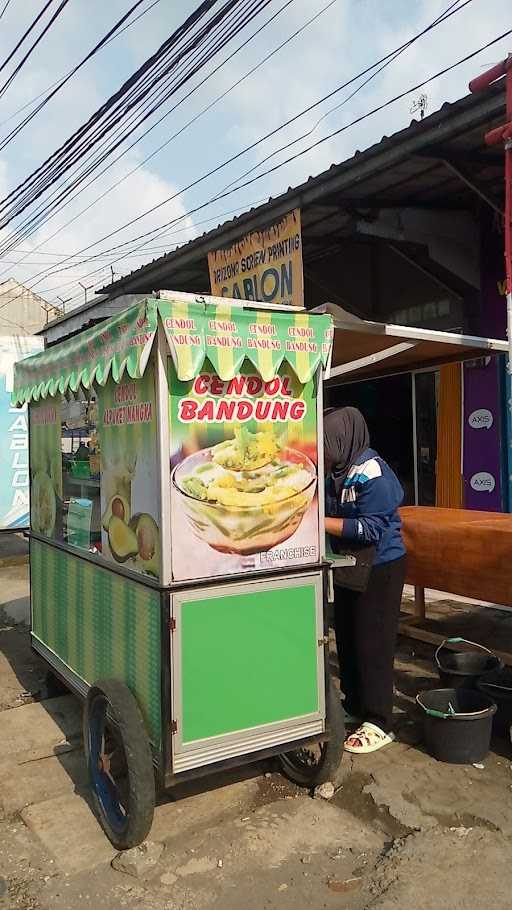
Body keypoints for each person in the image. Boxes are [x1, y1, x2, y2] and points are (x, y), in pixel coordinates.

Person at [324, 406, 406, 754]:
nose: (324, 450)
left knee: (374, 643)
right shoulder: (337, 470)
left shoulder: (373, 473)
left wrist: (319, 522)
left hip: (381, 567)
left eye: (328, 443)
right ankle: (354, 703)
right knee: (347, 638)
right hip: (348, 564)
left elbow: (370, 528)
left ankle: (380, 721)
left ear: (345, 439)